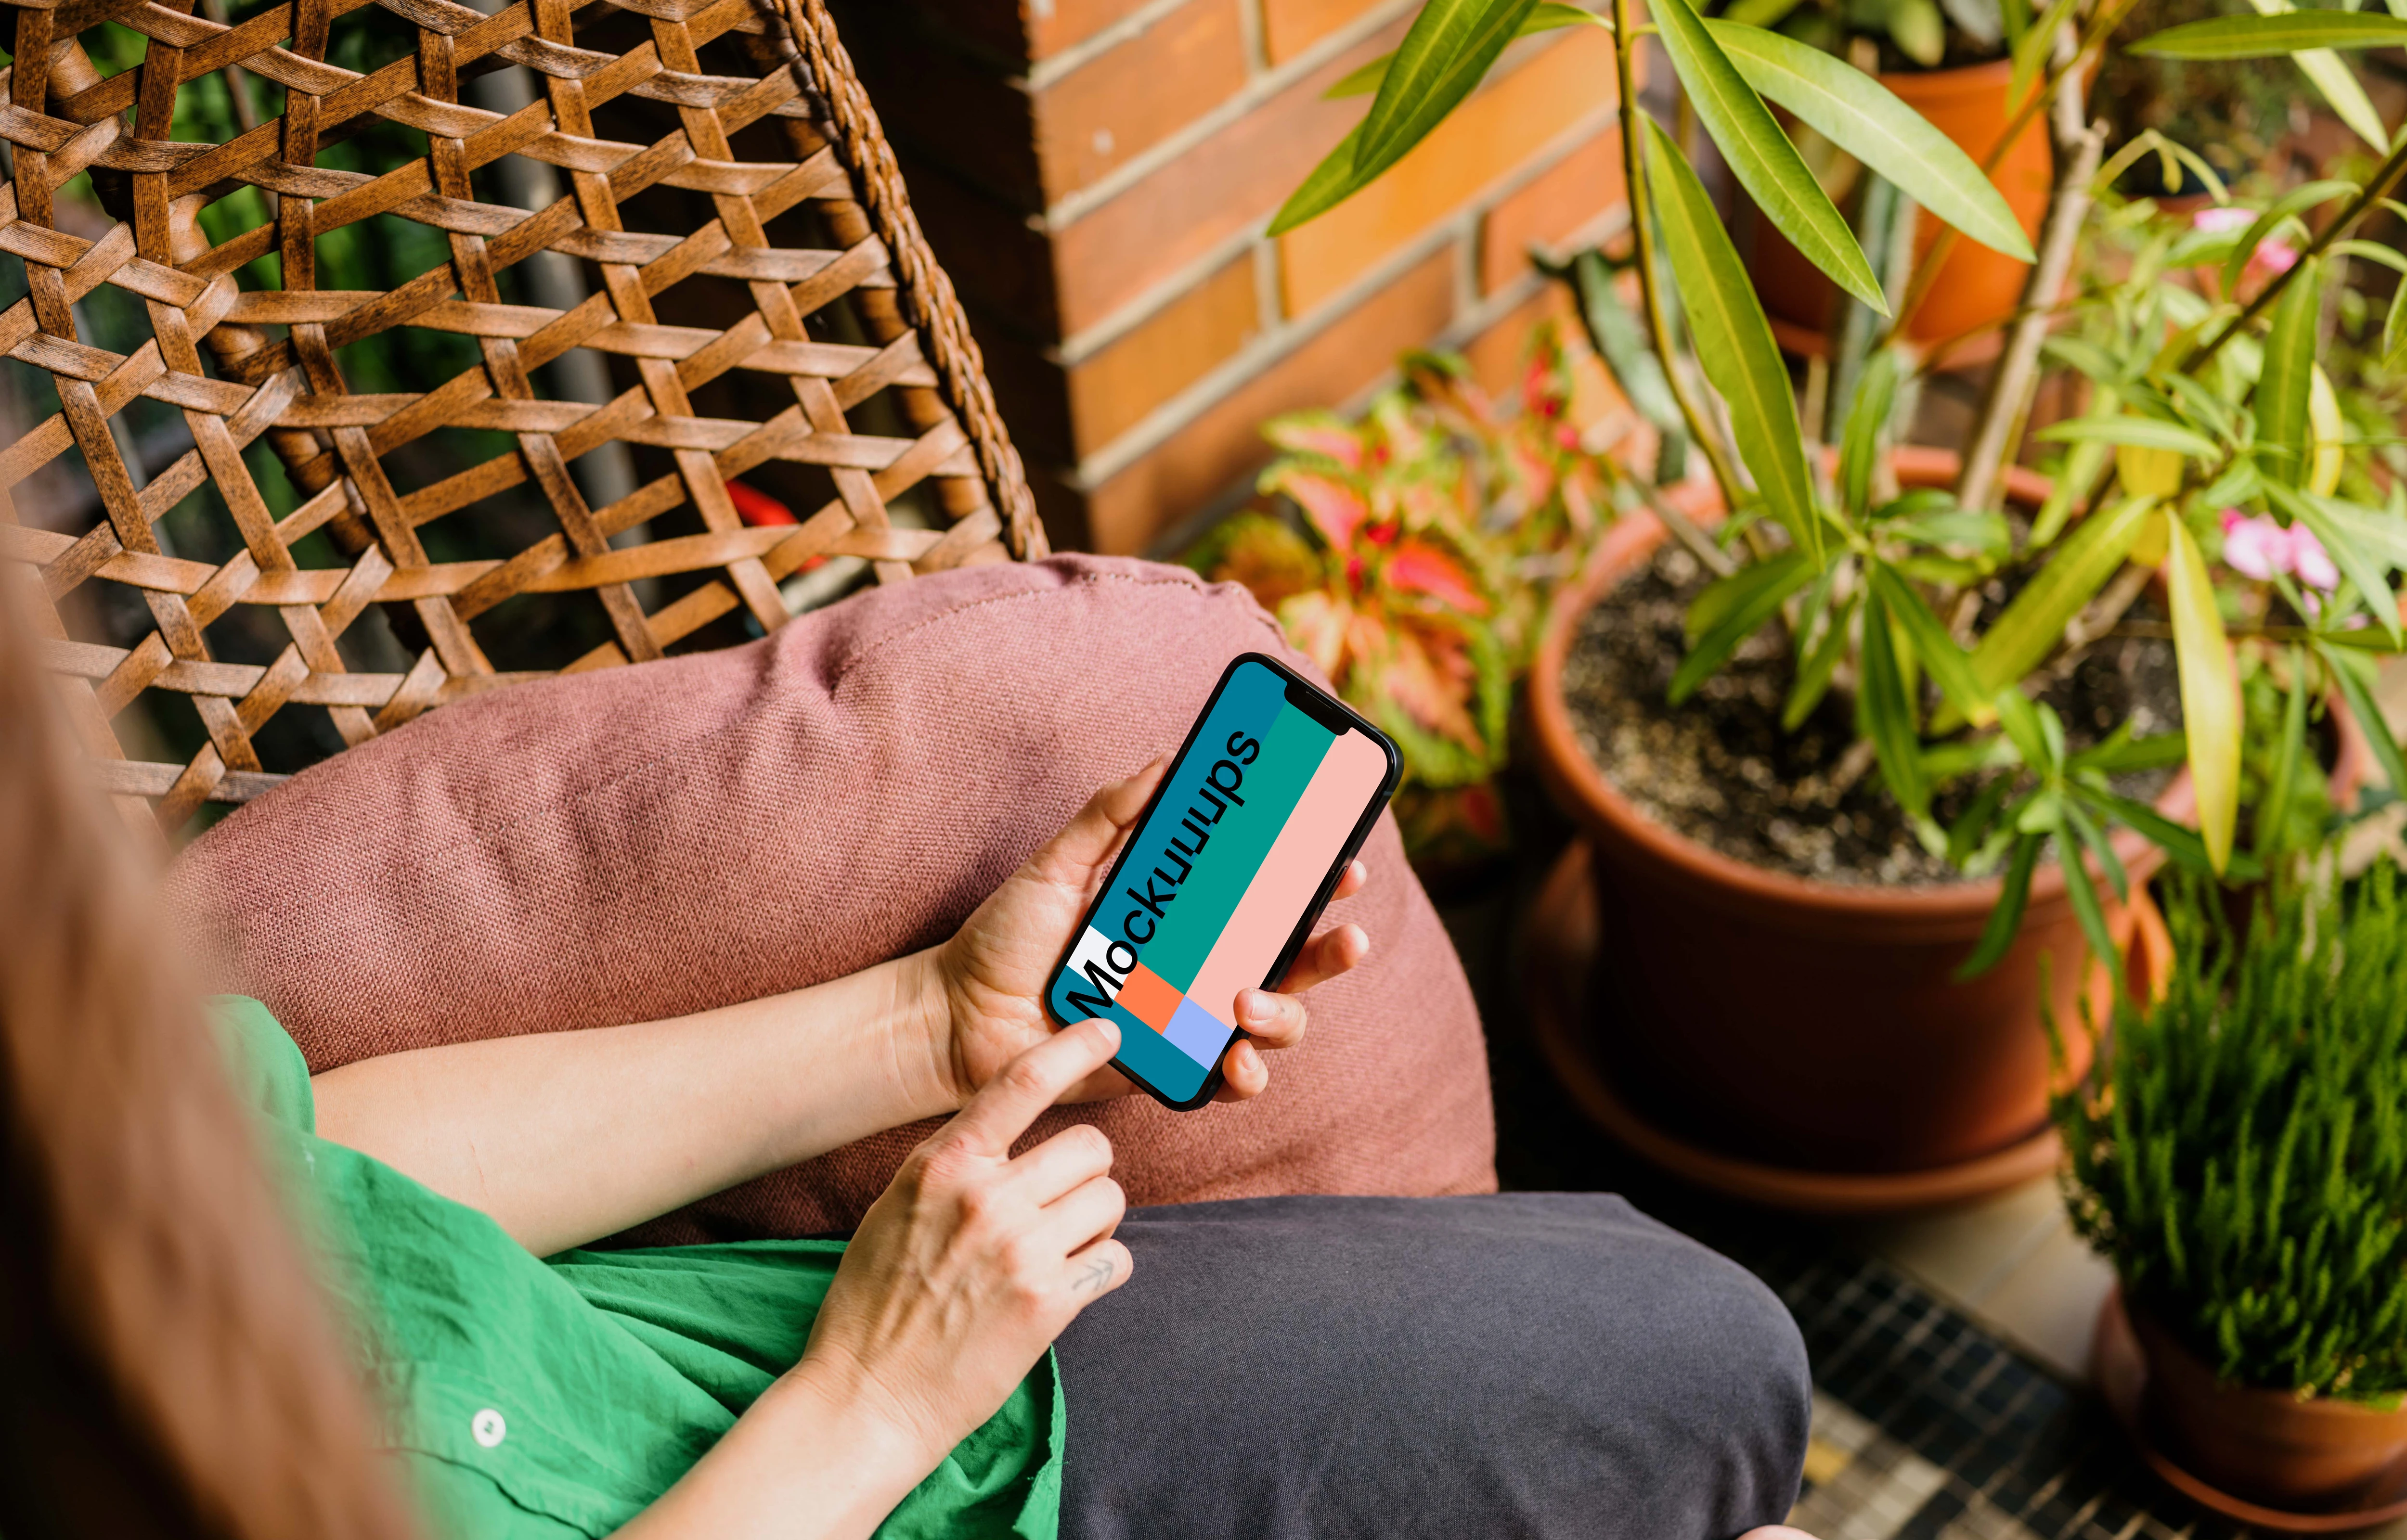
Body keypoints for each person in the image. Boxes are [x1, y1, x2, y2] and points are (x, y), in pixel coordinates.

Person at [0, 584, 1816, 1540]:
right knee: (1719, 1385)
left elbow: (300, 1174)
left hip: (855, 1366)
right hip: (885, 1429)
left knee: (1685, 1338)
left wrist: (926, 1024)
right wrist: (868, 1405)